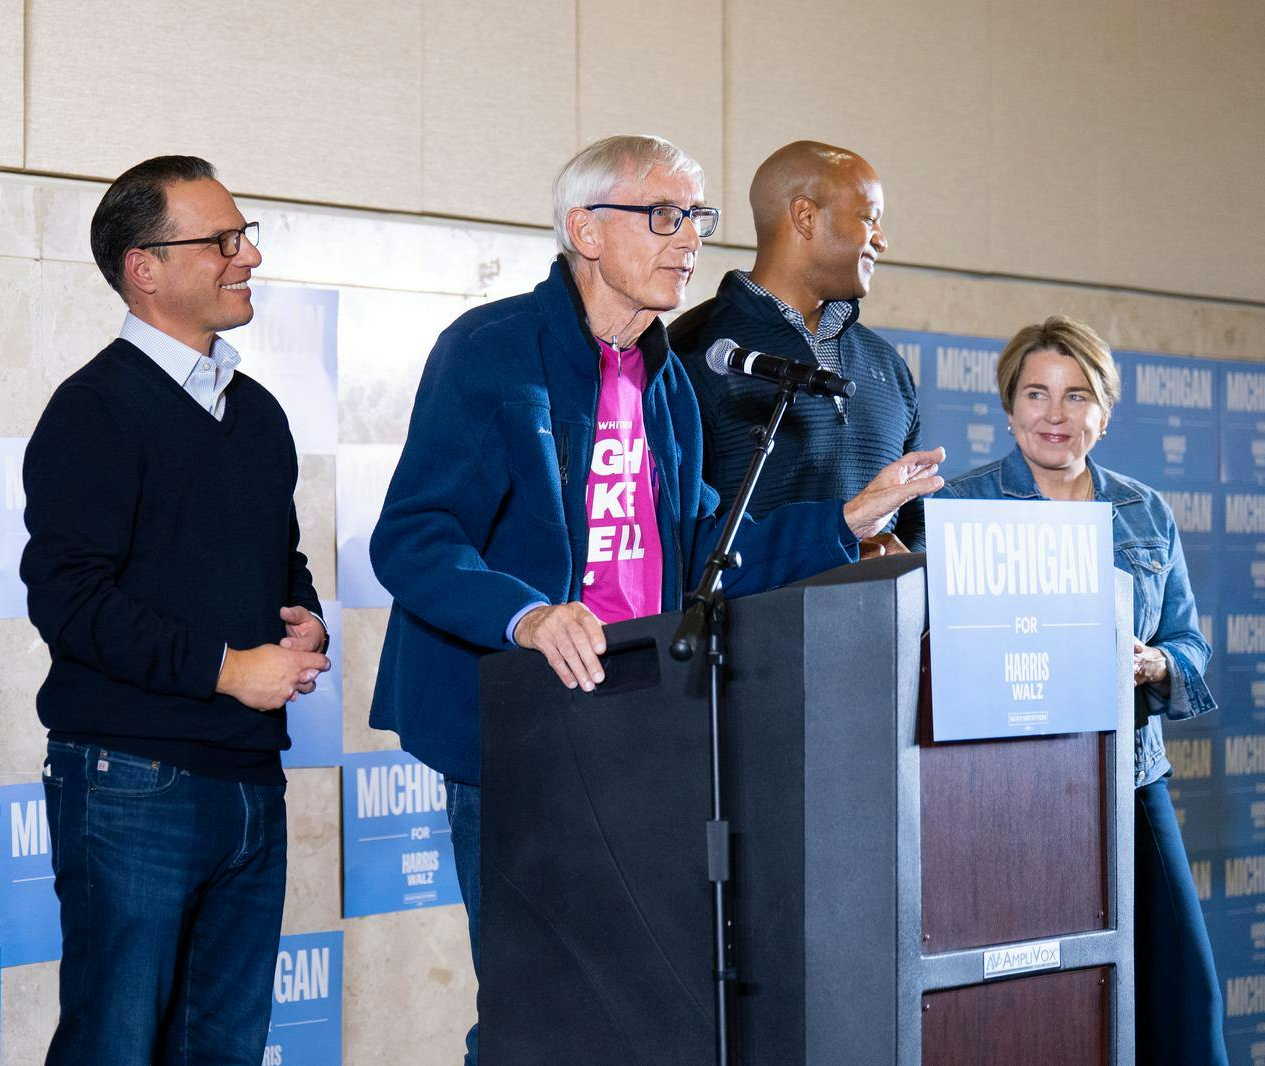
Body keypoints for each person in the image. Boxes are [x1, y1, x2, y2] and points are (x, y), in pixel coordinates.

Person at [368, 133, 946, 1064]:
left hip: (639, 716)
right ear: (586, 231)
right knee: (532, 1001)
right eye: (664, 217)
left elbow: (705, 553)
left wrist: (848, 518)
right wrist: (528, 614)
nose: (689, 241)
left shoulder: (667, 379)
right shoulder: (492, 351)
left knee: (637, 999)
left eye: (698, 219)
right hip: (518, 720)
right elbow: (415, 536)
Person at [20, 154, 331, 1065]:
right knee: (114, 1047)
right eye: (222, 241)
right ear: (143, 268)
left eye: (246, 237)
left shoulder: (259, 412)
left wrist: (302, 615)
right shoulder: (94, 409)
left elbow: (282, 558)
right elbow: (67, 598)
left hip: (249, 781)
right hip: (131, 780)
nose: (248, 258)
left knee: (222, 1051)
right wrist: (229, 670)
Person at [936, 316, 1223, 1065]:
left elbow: (1190, 642)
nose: (1054, 415)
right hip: (1000, 795)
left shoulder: (1145, 510)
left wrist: (1156, 663)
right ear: (1008, 408)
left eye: (1075, 396)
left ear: (1104, 410)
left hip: (1131, 781)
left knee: (1185, 998)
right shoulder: (958, 509)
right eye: (1036, 394)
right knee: (1037, 1002)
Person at [670, 140, 924, 552]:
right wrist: (836, 549)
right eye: (869, 219)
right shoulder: (690, 354)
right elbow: (685, 540)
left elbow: (917, 516)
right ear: (806, 217)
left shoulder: (888, 366)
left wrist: (907, 569)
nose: (881, 241)